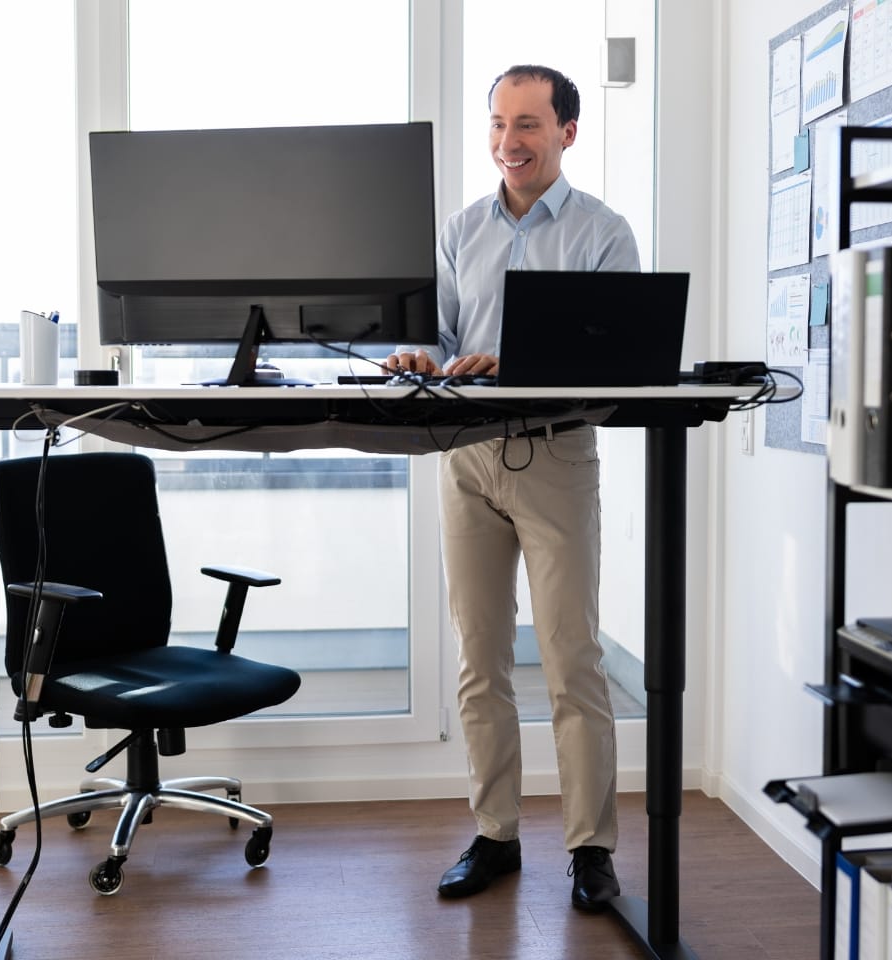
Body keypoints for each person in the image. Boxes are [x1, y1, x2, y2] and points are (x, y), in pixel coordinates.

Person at [385, 64, 639, 912]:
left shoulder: (604, 234)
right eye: (498, 124)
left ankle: (590, 850)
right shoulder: (461, 230)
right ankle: (495, 833)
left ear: (567, 132)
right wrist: (422, 354)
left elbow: (617, 364)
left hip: (557, 458)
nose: (508, 142)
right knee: (479, 659)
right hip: (467, 458)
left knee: (572, 659)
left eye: (527, 124)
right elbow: (443, 333)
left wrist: (522, 366)